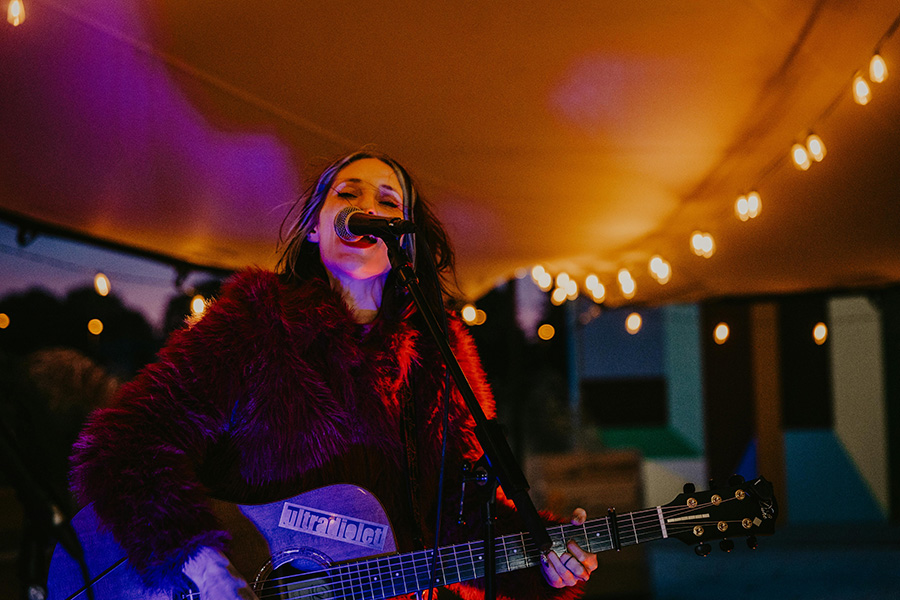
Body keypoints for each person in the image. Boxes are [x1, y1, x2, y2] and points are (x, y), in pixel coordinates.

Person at [70, 150, 597, 600]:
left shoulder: (442, 354)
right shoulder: (255, 321)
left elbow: (460, 519)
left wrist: (544, 558)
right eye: (348, 195)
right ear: (313, 226)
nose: (368, 208)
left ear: (405, 241)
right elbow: (123, 446)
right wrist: (206, 567)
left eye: (389, 203)